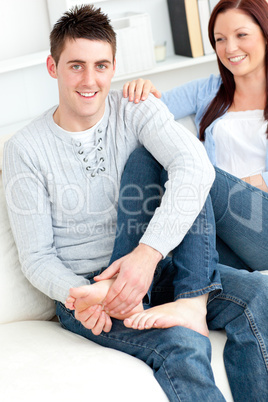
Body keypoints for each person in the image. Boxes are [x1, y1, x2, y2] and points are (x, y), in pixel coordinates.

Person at [2, 4, 267, 401]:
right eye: (76, 65)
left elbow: (194, 169)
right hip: (92, 287)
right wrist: (81, 295)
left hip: (159, 268)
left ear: (113, 66)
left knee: (256, 296)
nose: (90, 80)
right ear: (53, 67)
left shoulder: (134, 110)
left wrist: (146, 258)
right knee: (182, 342)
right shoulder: (24, 149)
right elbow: (37, 258)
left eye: (101, 65)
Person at [124, 0, 268, 272]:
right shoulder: (208, 91)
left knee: (191, 172)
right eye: (220, 39)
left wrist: (249, 183)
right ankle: (126, 276)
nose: (230, 48)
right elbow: (145, 114)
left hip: (261, 224)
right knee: (149, 156)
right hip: (218, 227)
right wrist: (142, 92)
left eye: (241, 35)